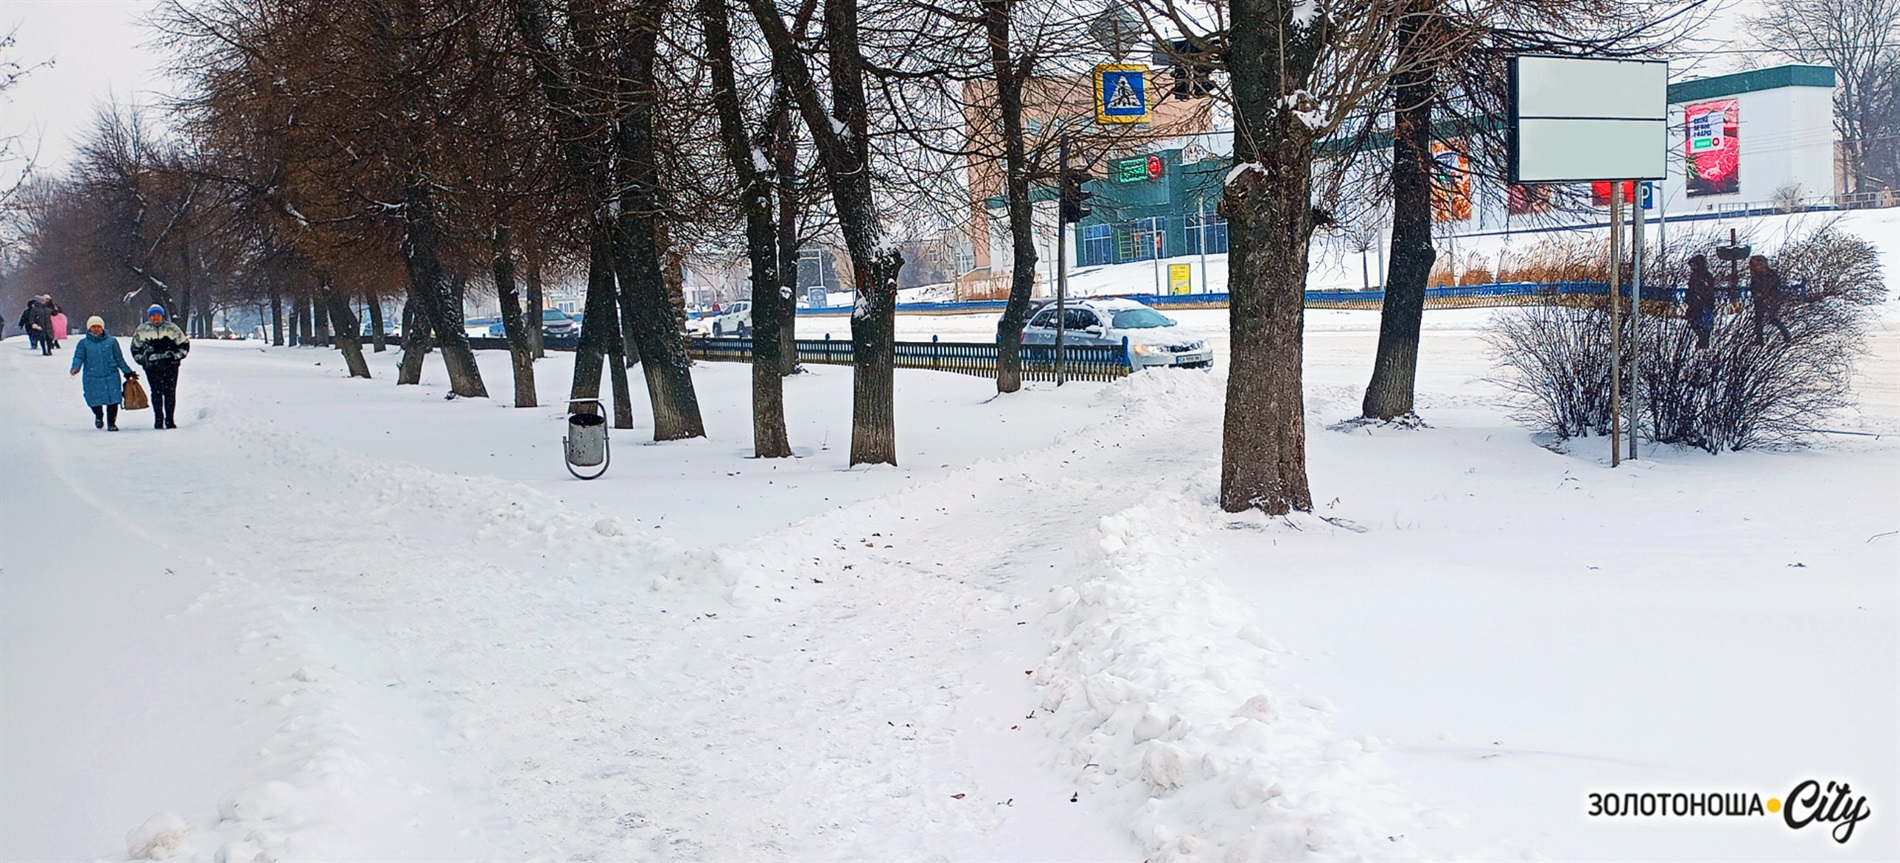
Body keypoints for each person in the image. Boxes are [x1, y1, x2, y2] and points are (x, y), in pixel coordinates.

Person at [70, 316, 136, 431]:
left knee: (113, 400)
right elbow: (79, 357)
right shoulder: (83, 343)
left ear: (103, 328)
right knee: (93, 399)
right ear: (89, 328)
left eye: (98, 326)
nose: (96, 329)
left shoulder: (112, 342)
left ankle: (112, 424)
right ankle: (98, 415)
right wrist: (75, 367)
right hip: (92, 376)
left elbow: (119, 358)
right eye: (93, 327)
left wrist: (127, 371)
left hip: (111, 375)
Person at [131, 304, 190, 430]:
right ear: (149, 316)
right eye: (153, 315)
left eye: (158, 315)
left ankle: (170, 420)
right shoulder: (142, 330)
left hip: (170, 366)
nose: (155, 318)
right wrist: (143, 360)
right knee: (156, 393)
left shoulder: (172, 328)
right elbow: (135, 349)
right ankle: (158, 419)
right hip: (152, 367)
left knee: (170, 393)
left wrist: (175, 357)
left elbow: (184, 345)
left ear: (162, 315)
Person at [1747, 255, 1793, 345]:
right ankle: (1759, 339)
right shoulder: (1756, 276)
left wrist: (1768, 296)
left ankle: (1786, 336)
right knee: (1759, 320)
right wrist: (1756, 294)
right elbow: (1753, 287)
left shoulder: (1770, 274)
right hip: (1759, 301)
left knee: (1773, 318)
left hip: (1771, 300)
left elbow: (1774, 287)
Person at [1685, 254, 1717, 349]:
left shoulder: (1705, 276)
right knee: (1694, 321)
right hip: (1695, 303)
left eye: (1694, 265)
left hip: (1703, 303)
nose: (1692, 267)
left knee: (1704, 323)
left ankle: (1704, 342)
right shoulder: (1695, 276)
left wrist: (1699, 297)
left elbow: (1707, 290)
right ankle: (1702, 340)